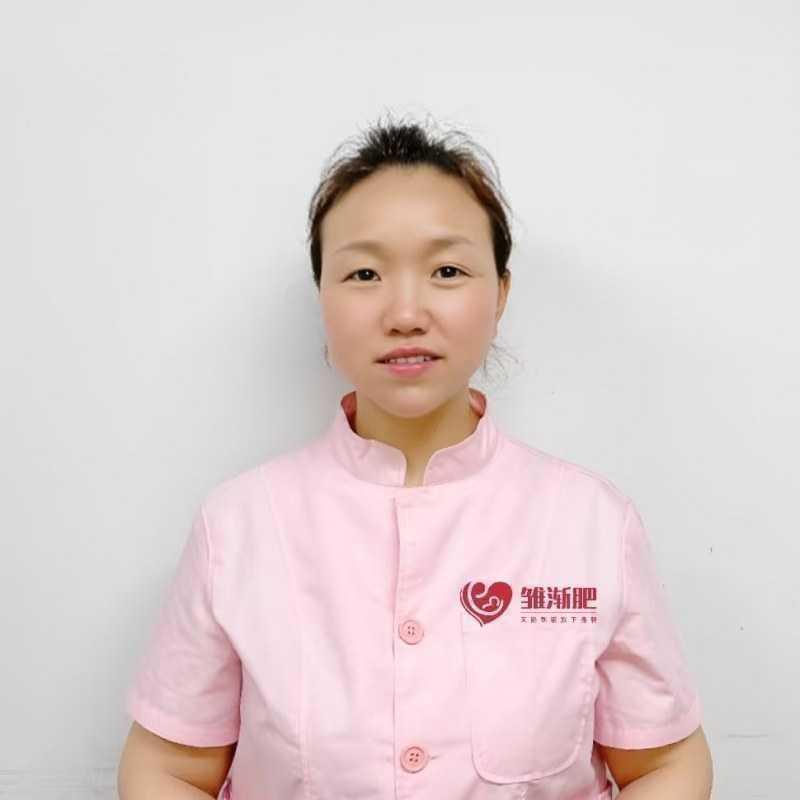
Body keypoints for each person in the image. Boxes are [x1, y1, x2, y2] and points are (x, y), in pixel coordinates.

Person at [118, 112, 713, 799]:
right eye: (364, 272)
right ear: (323, 296)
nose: (405, 313)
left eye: (447, 270)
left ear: (500, 294)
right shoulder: (240, 525)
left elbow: (666, 763)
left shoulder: (591, 524)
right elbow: (167, 768)